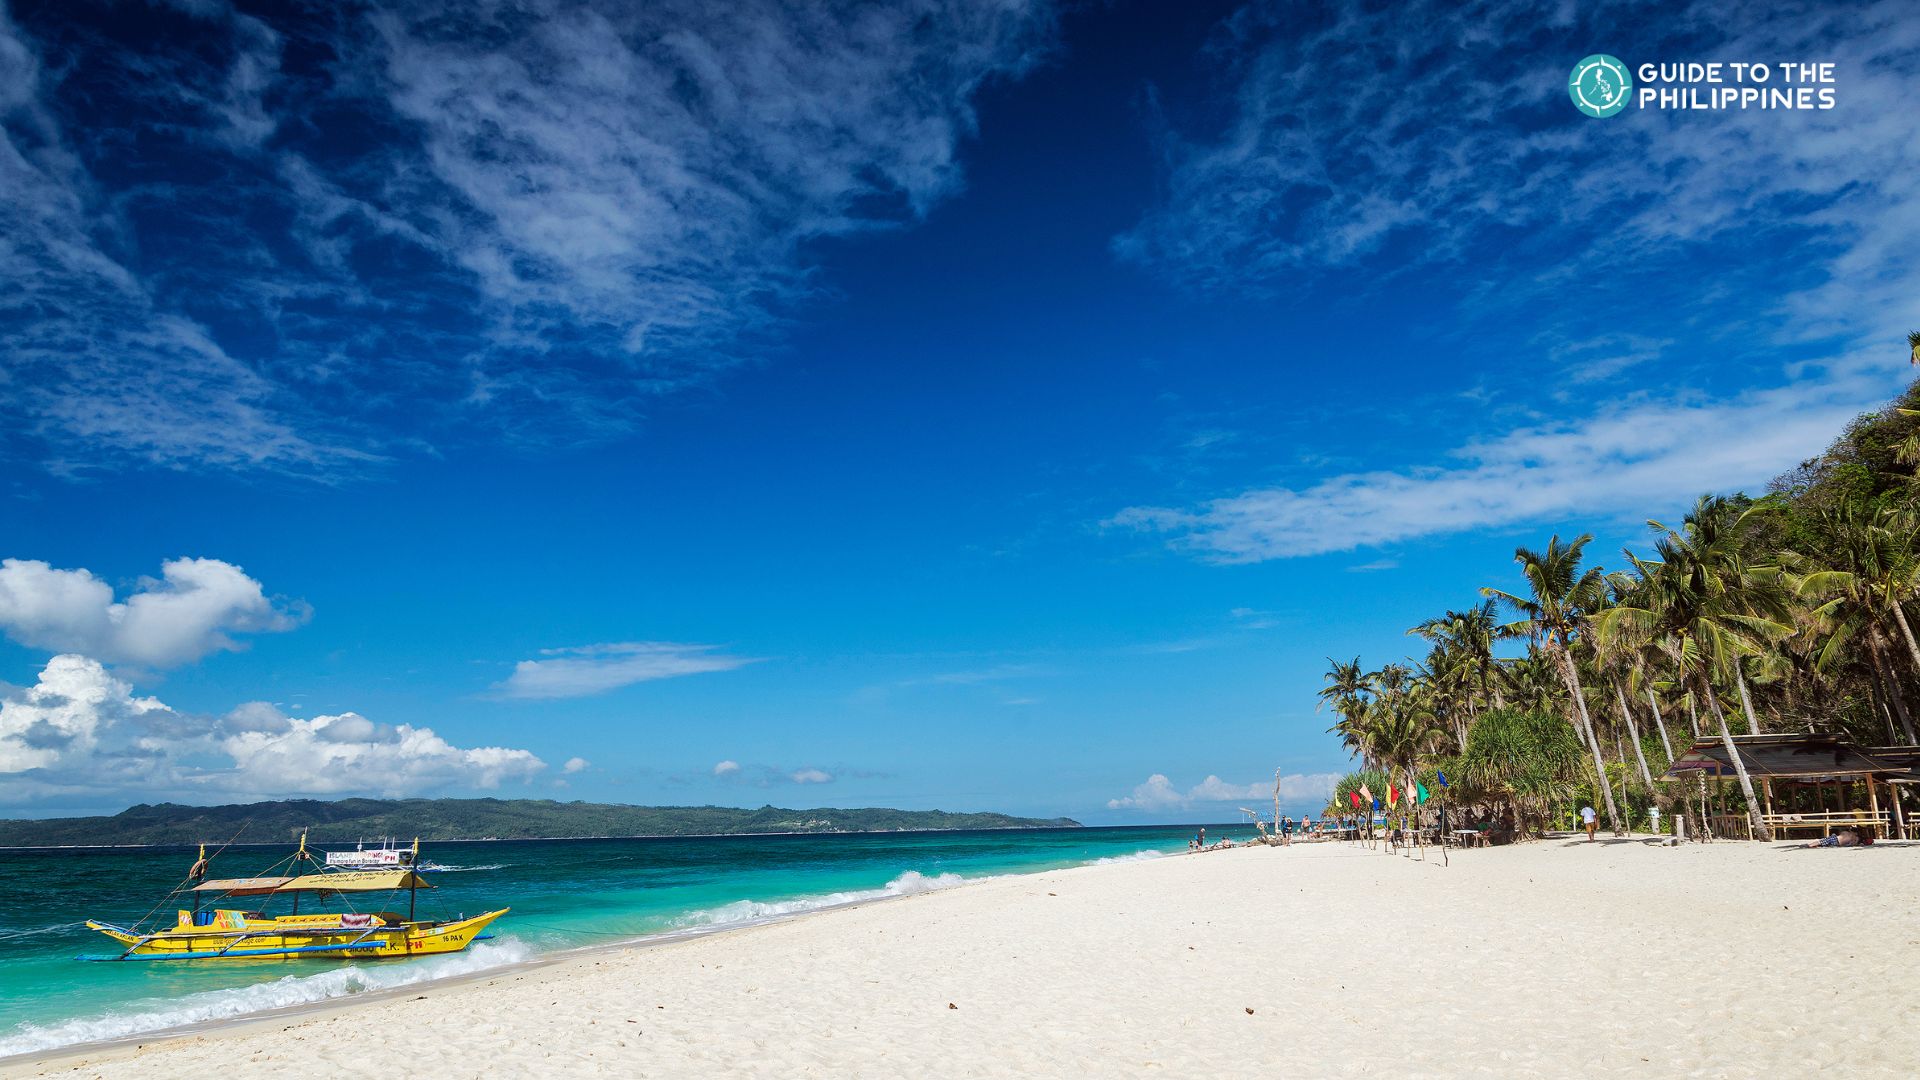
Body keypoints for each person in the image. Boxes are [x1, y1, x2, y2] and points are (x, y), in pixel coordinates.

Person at [1805, 825, 1875, 849]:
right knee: (1822, 843)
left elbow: (1841, 833)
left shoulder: (1849, 834)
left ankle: (1809, 845)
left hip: (1835, 838)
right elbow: (1851, 844)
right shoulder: (1856, 839)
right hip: (1837, 844)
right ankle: (1811, 845)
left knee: (1821, 841)